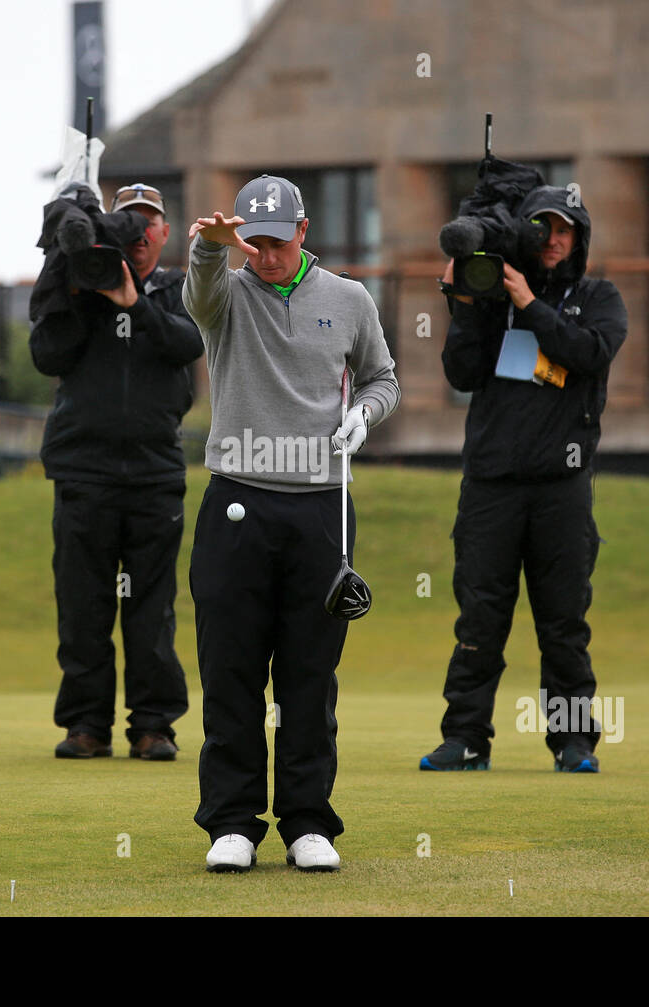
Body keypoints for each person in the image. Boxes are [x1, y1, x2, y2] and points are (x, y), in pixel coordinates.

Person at [183, 175, 399, 872]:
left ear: (303, 230)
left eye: (278, 241)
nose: (267, 255)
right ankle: (233, 822)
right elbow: (200, 297)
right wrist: (212, 251)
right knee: (231, 667)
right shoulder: (228, 293)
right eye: (256, 241)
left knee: (310, 672)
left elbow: (381, 377)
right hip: (237, 495)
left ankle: (308, 821)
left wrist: (365, 415)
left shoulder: (348, 298)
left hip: (321, 503)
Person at [420, 184, 627, 774]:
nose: (554, 240)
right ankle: (465, 738)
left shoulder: (599, 296)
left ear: (580, 237)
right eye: (542, 229)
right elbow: (461, 373)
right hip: (490, 483)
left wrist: (532, 304)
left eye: (565, 230)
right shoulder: (494, 301)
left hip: (561, 486)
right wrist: (465, 305)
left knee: (563, 620)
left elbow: (589, 353)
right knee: (479, 616)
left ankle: (572, 742)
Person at [30, 183, 204, 761]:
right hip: (84, 470)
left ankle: (154, 725)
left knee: (152, 608)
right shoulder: (81, 283)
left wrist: (136, 304)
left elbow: (186, 344)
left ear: (164, 232)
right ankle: (86, 724)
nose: (140, 233)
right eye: (128, 222)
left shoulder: (180, 288)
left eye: (149, 223)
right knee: (83, 603)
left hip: (154, 472)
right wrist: (77, 284)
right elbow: (47, 355)